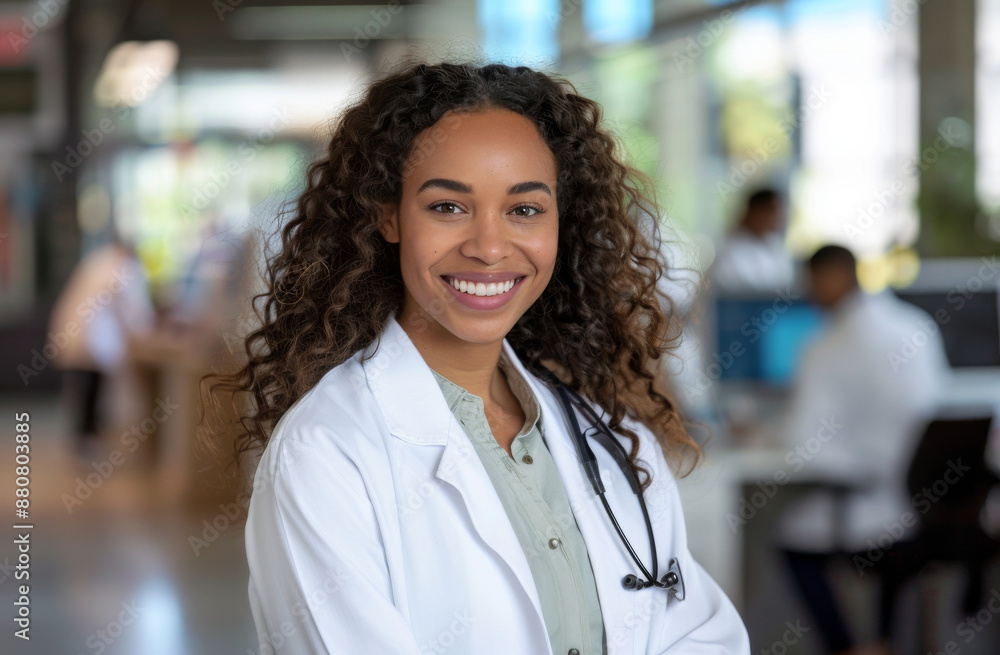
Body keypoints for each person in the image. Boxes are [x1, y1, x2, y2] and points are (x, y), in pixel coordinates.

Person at [218, 62, 750, 654]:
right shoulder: (326, 454)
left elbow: (704, 637)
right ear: (388, 215)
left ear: (560, 223)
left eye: (524, 209)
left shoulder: (609, 440)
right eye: (448, 206)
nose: (490, 247)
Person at [778, 245, 949, 655]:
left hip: (871, 512)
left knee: (787, 539)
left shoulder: (826, 346)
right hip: (929, 508)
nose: (809, 293)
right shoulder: (916, 325)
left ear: (833, 277)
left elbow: (802, 449)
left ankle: (850, 647)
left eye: (811, 282)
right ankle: (881, 639)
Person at [48, 235, 155, 456]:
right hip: (92, 340)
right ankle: (88, 438)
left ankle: (85, 436)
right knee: (91, 390)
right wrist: (147, 329)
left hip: (77, 335)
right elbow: (135, 309)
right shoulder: (123, 267)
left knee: (82, 389)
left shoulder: (98, 260)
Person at [712, 188, 795, 294]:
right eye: (772, 211)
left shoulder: (776, 245)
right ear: (754, 211)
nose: (778, 218)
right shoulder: (729, 251)